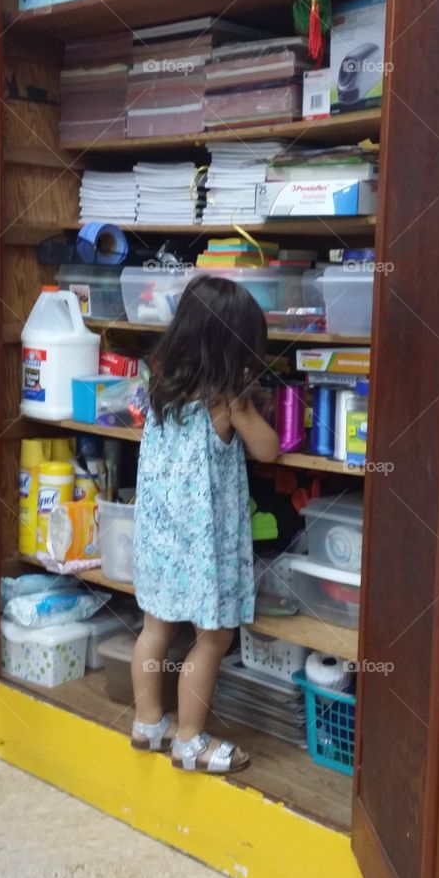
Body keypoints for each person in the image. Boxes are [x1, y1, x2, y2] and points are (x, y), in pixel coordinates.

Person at [131, 274, 280, 773]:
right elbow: (268, 449)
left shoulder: (162, 386)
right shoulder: (226, 399)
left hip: (159, 537)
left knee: (154, 629)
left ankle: (149, 724)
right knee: (213, 637)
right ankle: (190, 741)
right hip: (202, 547)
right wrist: (249, 402)